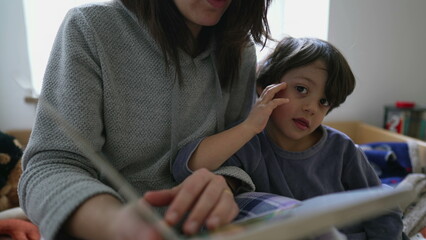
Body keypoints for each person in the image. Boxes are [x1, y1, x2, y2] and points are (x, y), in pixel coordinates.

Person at [18, 0, 274, 239]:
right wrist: (114, 223)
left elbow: (238, 157)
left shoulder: (239, 48)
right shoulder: (92, 27)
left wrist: (225, 184)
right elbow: (49, 167)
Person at [172, 36, 403, 239]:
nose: (311, 108)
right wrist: (249, 126)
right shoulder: (248, 143)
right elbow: (186, 168)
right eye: (302, 89)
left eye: (324, 102)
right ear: (266, 86)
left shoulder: (342, 149)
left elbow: (383, 205)